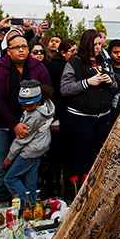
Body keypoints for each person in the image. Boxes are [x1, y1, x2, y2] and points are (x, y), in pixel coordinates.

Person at [0, 34, 52, 201]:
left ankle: (26, 204)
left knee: (27, 166)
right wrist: (14, 124)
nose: (21, 50)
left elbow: (48, 93)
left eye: (24, 47)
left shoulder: (37, 67)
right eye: (16, 47)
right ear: (8, 50)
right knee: (0, 166)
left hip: (30, 124)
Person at [60, 29, 116, 179]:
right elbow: (64, 89)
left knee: (98, 156)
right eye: (95, 44)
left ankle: (94, 189)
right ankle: (78, 190)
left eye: (100, 44)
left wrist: (110, 82)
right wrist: (87, 83)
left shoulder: (104, 61)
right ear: (87, 43)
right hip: (81, 117)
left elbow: (114, 84)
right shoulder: (75, 62)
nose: (98, 47)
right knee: (81, 156)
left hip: (103, 116)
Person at [3, 80, 55, 205]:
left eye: (29, 105)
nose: (26, 108)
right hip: (39, 149)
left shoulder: (34, 116)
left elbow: (22, 138)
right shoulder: (46, 106)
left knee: (10, 179)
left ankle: (29, 203)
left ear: (38, 100)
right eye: (23, 105)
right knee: (30, 179)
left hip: (29, 151)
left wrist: (9, 157)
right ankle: (34, 205)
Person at [42, 39, 76, 199]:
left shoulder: (76, 65)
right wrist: (54, 118)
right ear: (63, 53)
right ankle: (54, 190)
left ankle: (70, 188)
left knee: (70, 155)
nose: (75, 53)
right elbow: (52, 94)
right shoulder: (53, 67)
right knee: (56, 155)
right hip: (57, 117)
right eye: (72, 51)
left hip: (71, 117)